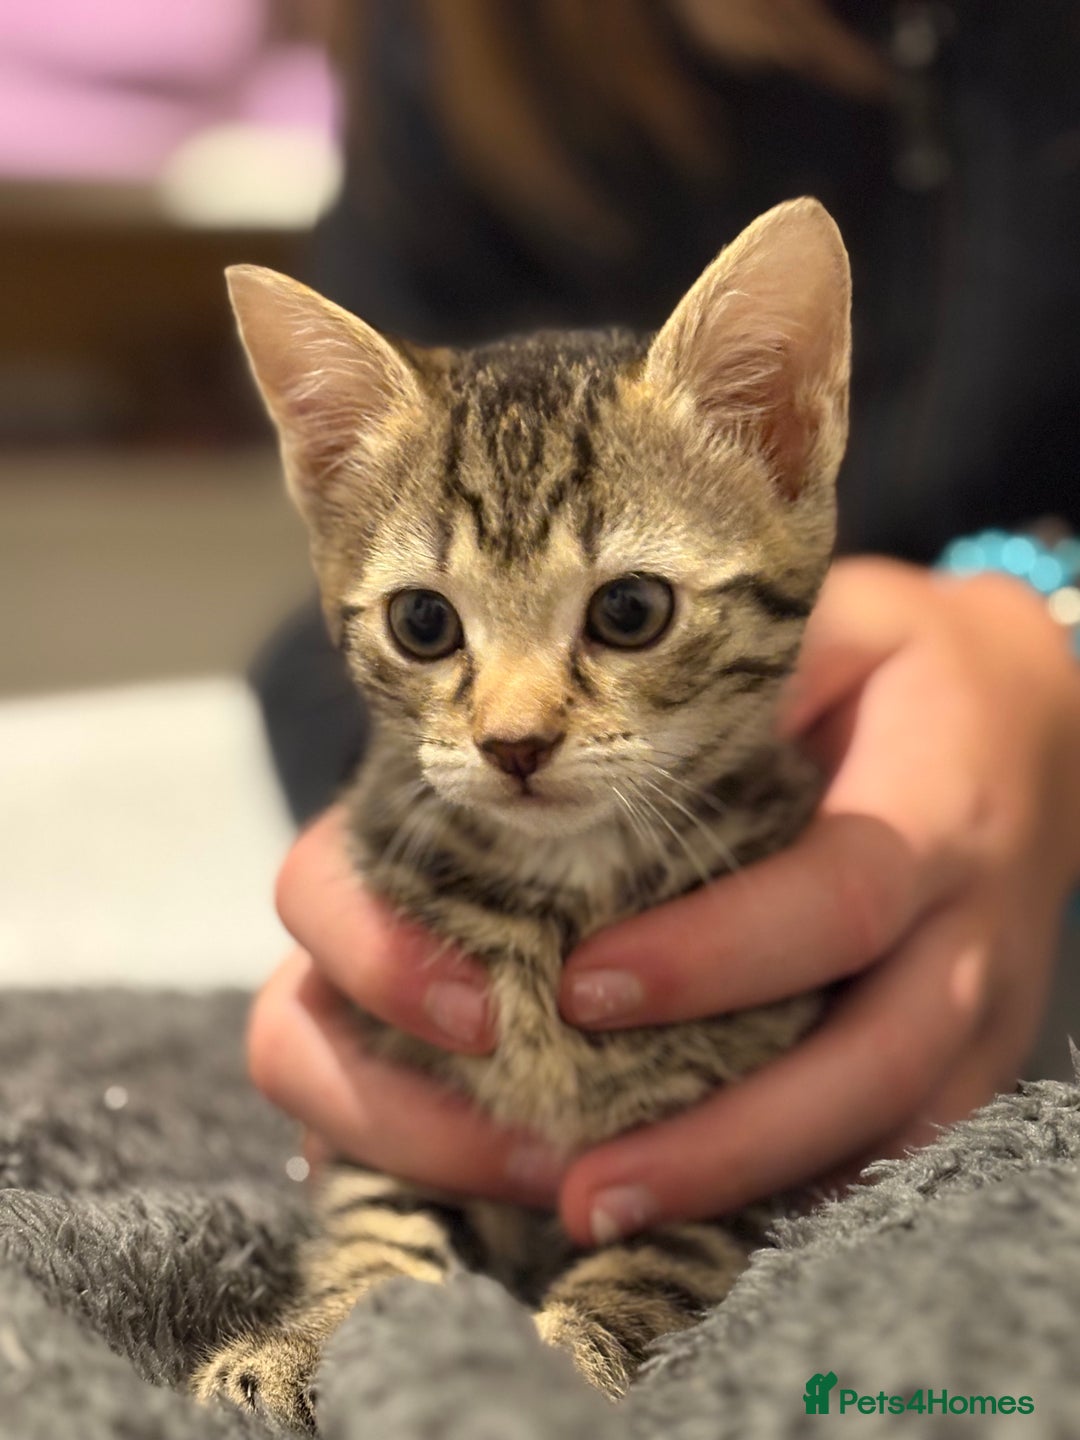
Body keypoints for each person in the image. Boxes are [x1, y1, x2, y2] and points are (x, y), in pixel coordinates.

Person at [247, 0, 1080, 1248]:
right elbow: (314, 649)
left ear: (780, 432)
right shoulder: (452, 37)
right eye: (430, 625)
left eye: (625, 611)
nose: (516, 723)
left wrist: (1050, 635)